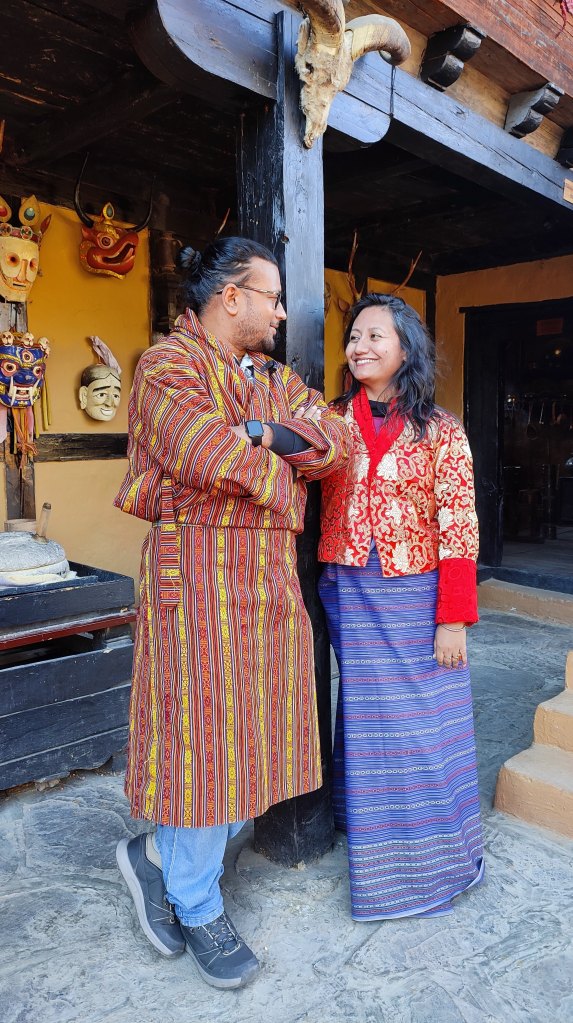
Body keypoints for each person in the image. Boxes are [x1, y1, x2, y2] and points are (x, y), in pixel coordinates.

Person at [113, 236, 349, 988]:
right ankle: (195, 899)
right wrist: (284, 487)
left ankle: (155, 855)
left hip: (265, 584)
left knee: (249, 739)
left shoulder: (276, 380)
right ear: (229, 297)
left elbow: (336, 444)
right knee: (199, 740)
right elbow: (196, 449)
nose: (281, 311)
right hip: (198, 584)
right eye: (271, 295)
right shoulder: (165, 366)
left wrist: (272, 436)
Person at [318, 293, 484, 921]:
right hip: (348, 588)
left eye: (374, 336)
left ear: (406, 349)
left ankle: (433, 863)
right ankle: (365, 833)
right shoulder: (330, 421)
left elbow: (460, 527)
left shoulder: (441, 429)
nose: (359, 346)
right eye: (354, 336)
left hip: (418, 596)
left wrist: (452, 619)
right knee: (366, 718)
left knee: (423, 722)